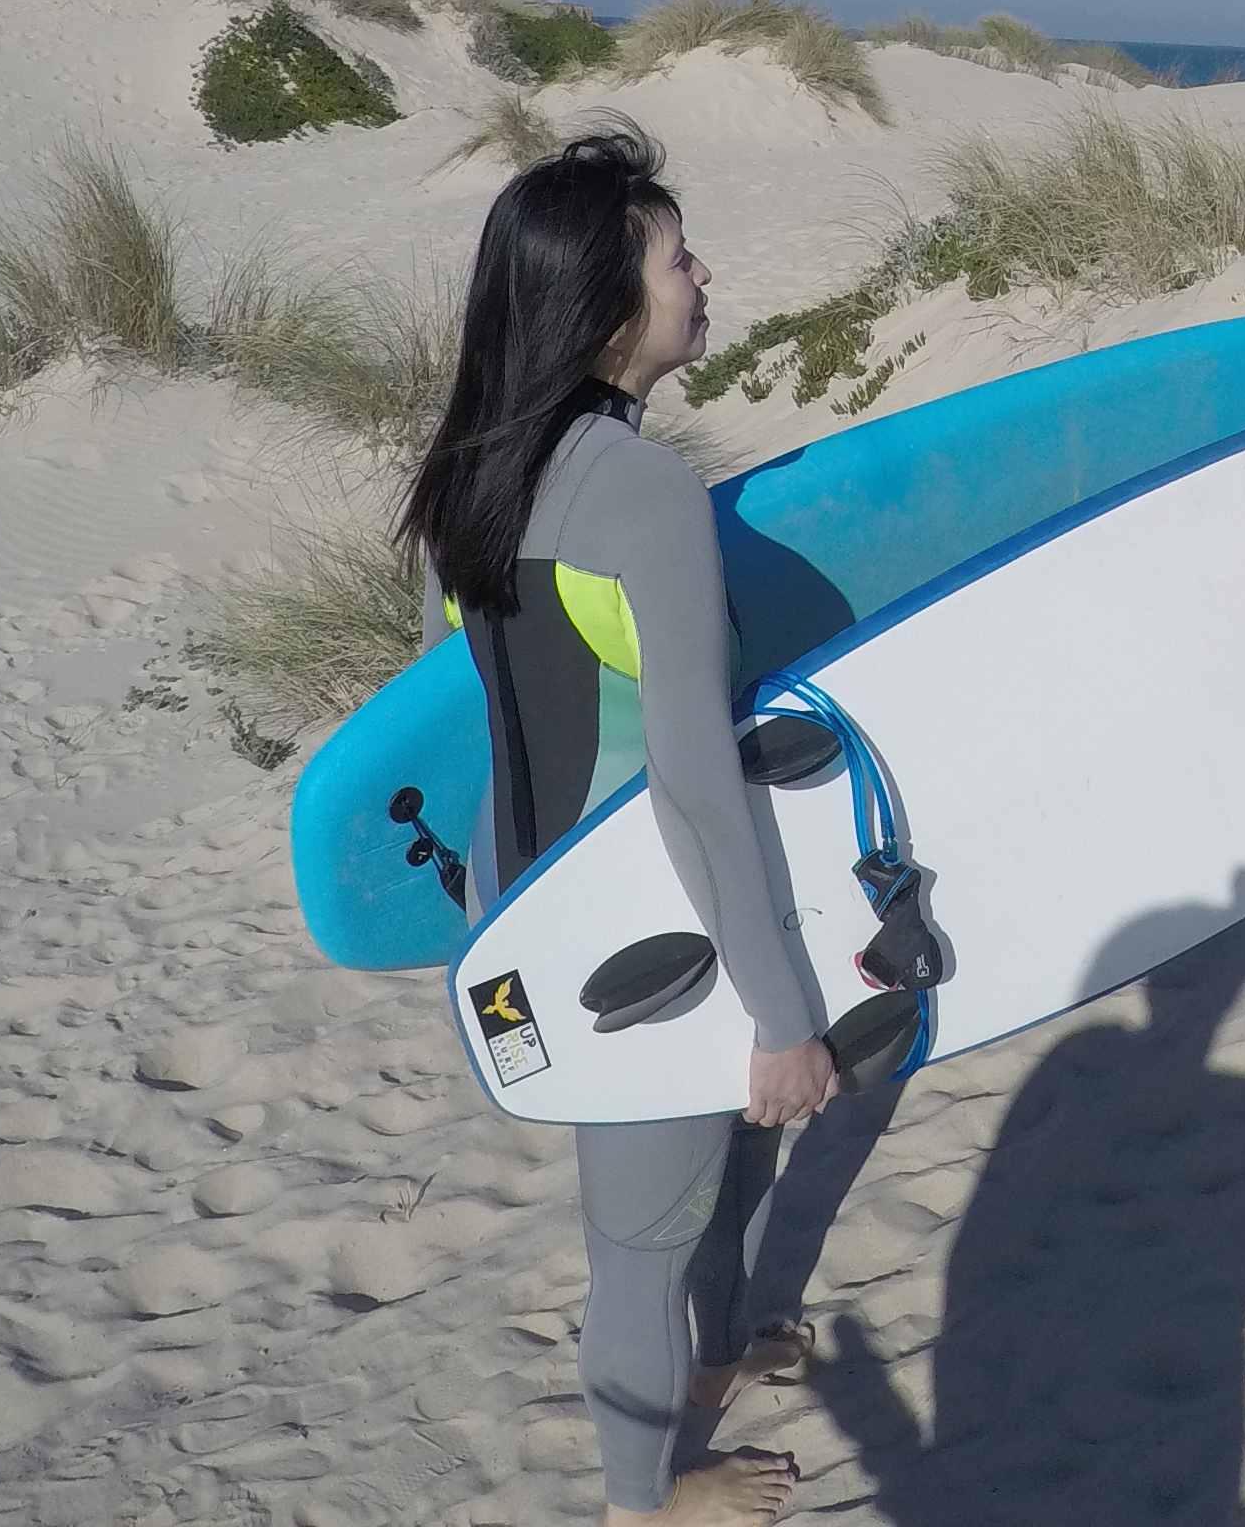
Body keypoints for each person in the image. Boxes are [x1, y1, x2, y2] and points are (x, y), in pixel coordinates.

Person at [399, 127, 827, 1527]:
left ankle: (710, 1368)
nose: (703, 275)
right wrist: (777, 1008)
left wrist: (487, 913)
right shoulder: (643, 494)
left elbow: (471, 717)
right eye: (677, 256)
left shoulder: (473, 470)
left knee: (726, 1157)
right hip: (647, 921)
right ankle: (645, 1500)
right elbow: (695, 772)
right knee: (640, 1238)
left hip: (534, 898)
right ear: (604, 308)